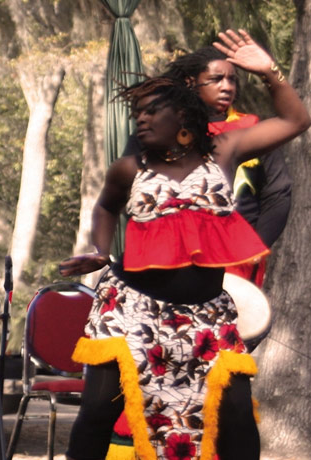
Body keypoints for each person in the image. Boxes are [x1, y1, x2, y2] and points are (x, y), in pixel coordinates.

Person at [59, 30, 310, 460]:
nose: (141, 119)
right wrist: (101, 251)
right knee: (99, 410)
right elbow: (105, 208)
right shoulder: (129, 167)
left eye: (153, 111)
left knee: (235, 419)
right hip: (131, 308)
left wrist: (269, 72)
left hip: (208, 314)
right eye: (138, 112)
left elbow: (296, 121)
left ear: (183, 117)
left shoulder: (224, 150)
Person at [122, 46, 292, 286]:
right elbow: (127, 191)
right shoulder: (157, 132)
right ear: (192, 82)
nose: (227, 87)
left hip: (234, 257)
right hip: (168, 257)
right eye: (217, 79)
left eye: (232, 80)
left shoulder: (251, 129)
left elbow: (279, 192)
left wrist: (257, 246)